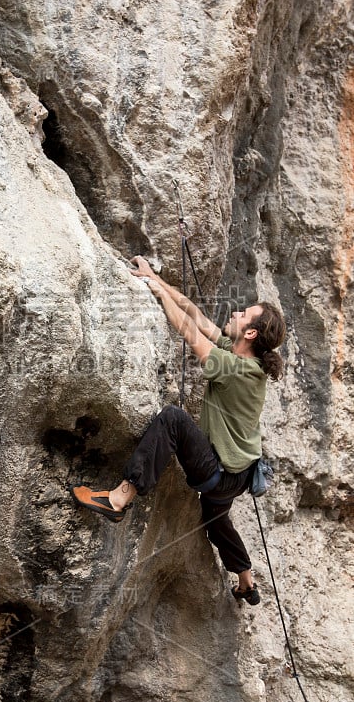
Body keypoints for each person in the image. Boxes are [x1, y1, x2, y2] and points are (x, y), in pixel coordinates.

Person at [71, 255, 286, 606]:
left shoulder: (237, 369)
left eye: (243, 314)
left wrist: (157, 291)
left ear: (250, 333)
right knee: (216, 521)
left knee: (172, 418)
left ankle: (118, 498)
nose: (234, 313)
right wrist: (156, 281)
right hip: (241, 472)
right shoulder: (242, 358)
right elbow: (196, 316)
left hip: (222, 472)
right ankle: (246, 581)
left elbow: (188, 331)